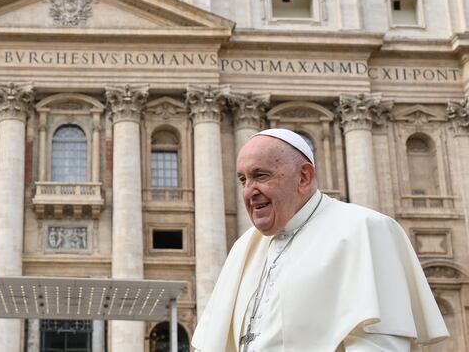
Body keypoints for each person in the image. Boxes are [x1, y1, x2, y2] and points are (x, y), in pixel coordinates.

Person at [191, 128, 448, 352]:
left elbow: (379, 345)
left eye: (261, 176)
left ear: (303, 177)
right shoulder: (244, 247)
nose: (248, 192)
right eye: (243, 180)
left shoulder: (365, 230)